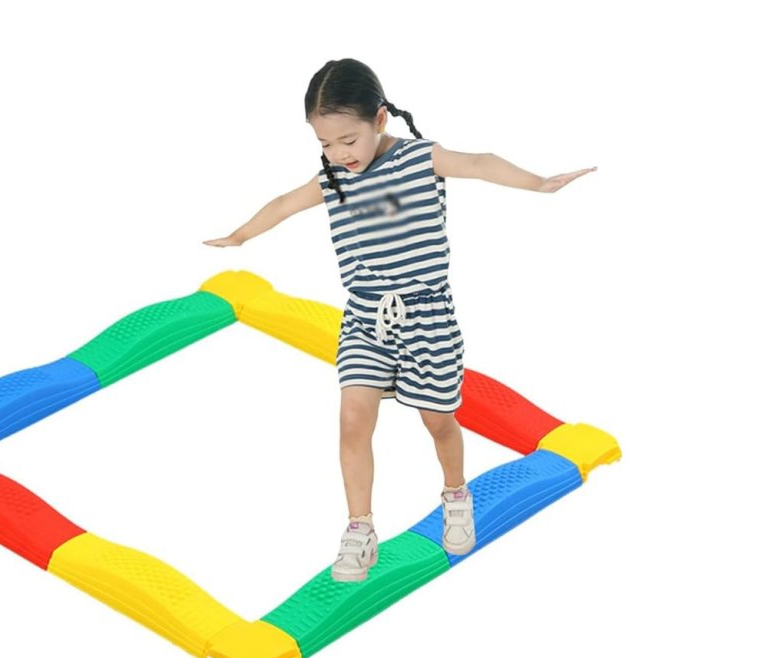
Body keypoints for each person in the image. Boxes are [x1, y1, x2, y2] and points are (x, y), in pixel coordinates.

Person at [203, 58, 596, 582]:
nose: (339, 154)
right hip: (366, 316)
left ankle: (456, 495)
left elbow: (479, 162)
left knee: (437, 420)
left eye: (348, 140)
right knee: (352, 418)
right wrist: (240, 236)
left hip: (426, 316)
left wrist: (538, 182)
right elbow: (284, 203)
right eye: (325, 144)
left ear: (380, 119)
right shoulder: (333, 178)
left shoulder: (418, 159)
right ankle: (359, 528)